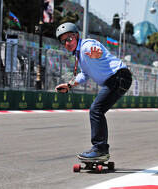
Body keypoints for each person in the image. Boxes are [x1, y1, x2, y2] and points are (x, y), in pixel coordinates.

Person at [55, 22, 132, 161]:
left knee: (96, 110)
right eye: (63, 41)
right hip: (118, 78)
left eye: (69, 39)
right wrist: (69, 85)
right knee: (97, 110)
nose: (67, 43)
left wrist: (98, 54)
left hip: (118, 77)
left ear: (77, 36)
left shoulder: (86, 46)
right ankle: (101, 149)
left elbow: (95, 49)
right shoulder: (80, 55)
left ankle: (100, 150)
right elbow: (84, 74)